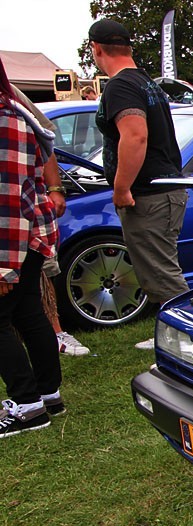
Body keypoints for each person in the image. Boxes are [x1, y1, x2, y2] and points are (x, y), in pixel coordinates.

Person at [90, 18, 188, 350]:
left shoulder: (120, 86)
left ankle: (186, 344)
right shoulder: (146, 82)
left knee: (164, 277)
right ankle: (169, 335)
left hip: (149, 195)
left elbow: (135, 136)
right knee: (159, 272)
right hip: (163, 192)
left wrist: (121, 188)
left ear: (96, 49)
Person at [1, 57, 64, 437]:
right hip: (30, 230)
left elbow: (6, 197)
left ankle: (27, 406)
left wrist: (2, 265)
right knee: (27, 310)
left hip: (14, 234)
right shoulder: (16, 109)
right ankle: (47, 394)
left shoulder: (5, 117)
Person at [10, 84, 90, 356]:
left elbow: (45, 142)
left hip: (21, 210)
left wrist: (55, 188)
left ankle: (56, 332)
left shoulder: (10, 95)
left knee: (39, 277)